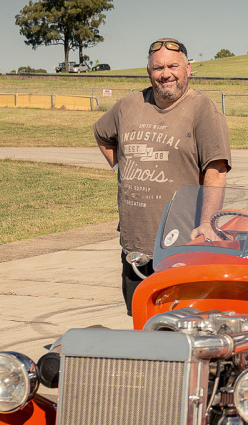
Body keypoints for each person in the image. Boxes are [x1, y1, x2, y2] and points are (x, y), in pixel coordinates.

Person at [93, 37, 231, 315]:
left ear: (187, 69)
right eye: (158, 68)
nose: (165, 74)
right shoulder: (128, 105)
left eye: (173, 66)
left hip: (181, 246)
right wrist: (122, 167)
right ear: (149, 71)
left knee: (179, 324)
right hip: (136, 245)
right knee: (141, 320)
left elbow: (216, 170)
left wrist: (207, 223)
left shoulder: (203, 110)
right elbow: (102, 134)